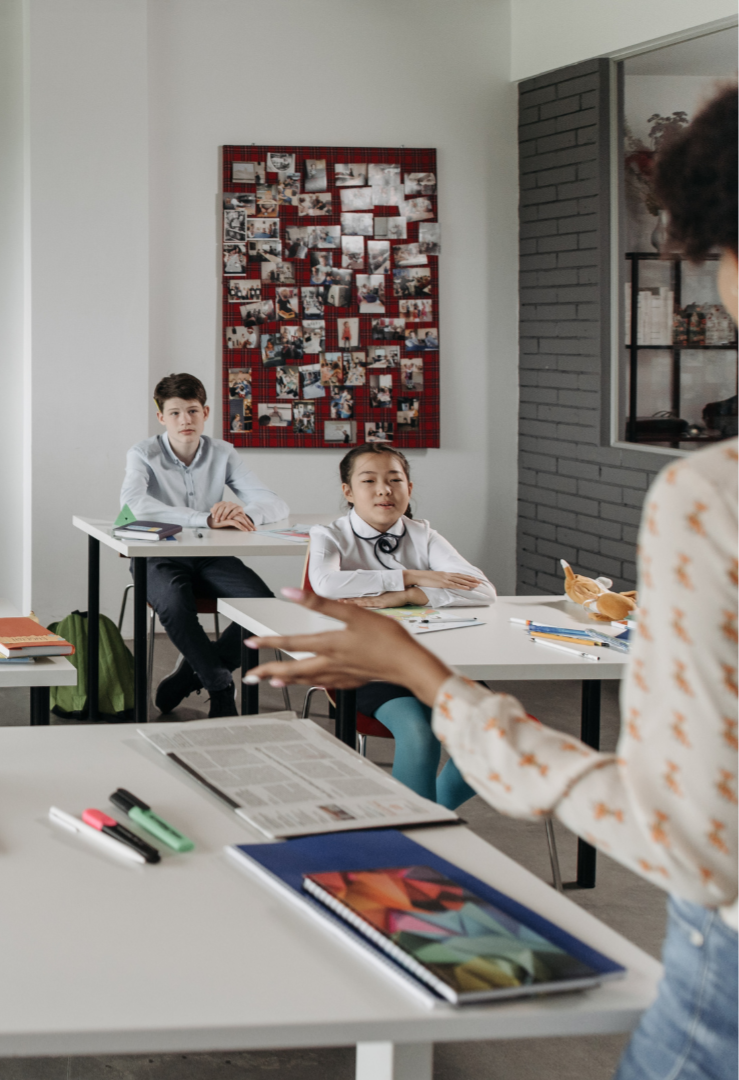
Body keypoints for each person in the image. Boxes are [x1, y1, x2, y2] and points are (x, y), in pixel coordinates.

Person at [247, 85, 737, 1080]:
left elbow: (694, 840)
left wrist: (429, 676)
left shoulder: (709, 498)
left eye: (717, 257)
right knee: (421, 738)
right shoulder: (341, 533)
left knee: (430, 731)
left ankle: (419, 834)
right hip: (397, 663)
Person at [307, 444, 492, 806]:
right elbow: (327, 584)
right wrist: (412, 575)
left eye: (395, 480)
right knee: (419, 734)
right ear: (348, 491)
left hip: (437, 660)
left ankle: (429, 816)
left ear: (409, 487)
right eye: (369, 480)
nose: (384, 490)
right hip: (367, 665)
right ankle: (414, 834)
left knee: (493, 732)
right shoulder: (330, 535)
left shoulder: (424, 535)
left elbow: (483, 590)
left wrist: (408, 596)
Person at [121, 372, 289, 717]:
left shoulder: (222, 452)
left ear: (206, 412)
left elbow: (275, 503)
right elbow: (135, 505)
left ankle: (193, 672)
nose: (185, 420)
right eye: (176, 412)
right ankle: (220, 686)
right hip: (157, 554)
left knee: (265, 609)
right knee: (176, 605)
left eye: (193, 411)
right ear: (161, 417)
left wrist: (242, 511)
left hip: (209, 556)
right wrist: (205, 518)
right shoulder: (143, 454)